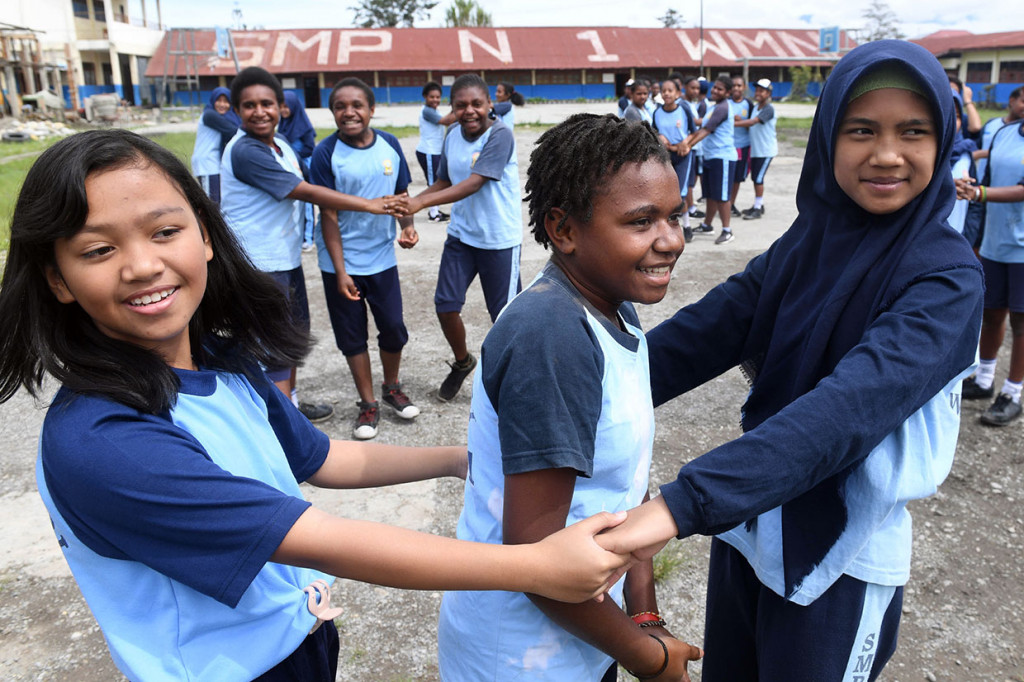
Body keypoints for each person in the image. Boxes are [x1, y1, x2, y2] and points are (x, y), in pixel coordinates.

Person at [0, 127, 636, 682]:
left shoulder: (219, 362)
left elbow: (322, 458)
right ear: (57, 278)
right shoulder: (105, 442)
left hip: (299, 638)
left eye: (165, 231)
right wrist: (532, 566)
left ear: (207, 237)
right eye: (99, 250)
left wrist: (458, 458)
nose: (142, 265)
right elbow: (322, 540)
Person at [597, 40, 984, 681]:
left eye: (913, 132)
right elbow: (713, 327)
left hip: (840, 552)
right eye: (862, 130)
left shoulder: (946, 278)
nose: (887, 154)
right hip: (754, 522)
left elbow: (849, 409)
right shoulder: (810, 239)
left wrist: (678, 506)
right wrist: (592, 386)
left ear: (942, 142)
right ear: (829, 137)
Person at [438, 113, 703, 681]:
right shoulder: (552, 336)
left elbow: (625, 487)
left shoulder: (614, 304)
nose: (671, 240)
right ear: (563, 229)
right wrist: (649, 658)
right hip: (523, 657)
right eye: (641, 221)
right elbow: (538, 561)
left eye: (675, 215)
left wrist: (644, 617)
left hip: (588, 633)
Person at [219, 67, 401, 422]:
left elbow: (312, 180)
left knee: (289, 337)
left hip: (283, 259)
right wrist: (369, 204)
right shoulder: (244, 151)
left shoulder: (279, 145)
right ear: (237, 110)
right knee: (272, 346)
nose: (260, 112)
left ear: (282, 107)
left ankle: (291, 406)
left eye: (267, 103)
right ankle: (283, 426)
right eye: (249, 105)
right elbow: (304, 190)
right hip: (257, 263)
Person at [311, 77, 421, 440]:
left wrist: (408, 226)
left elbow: (401, 195)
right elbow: (328, 213)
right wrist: (340, 271)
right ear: (332, 113)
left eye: (357, 105)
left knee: (393, 328)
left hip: (381, 259)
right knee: (352, 336)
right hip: (340, 264)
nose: (349, 112)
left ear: (371, 109)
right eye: (340, 107)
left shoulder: (389, 144)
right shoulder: (325, 153)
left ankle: (392, 387)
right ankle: (368, 403)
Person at [404, 74, 523, 402]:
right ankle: (462, 361)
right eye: (460, 105)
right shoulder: (452, 134)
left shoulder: (500, 135)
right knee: (445, 305)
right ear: (452, 108)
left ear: (489, 104)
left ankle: (515, 379)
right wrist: (409, 205)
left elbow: (474, 182)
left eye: (476, 104)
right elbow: (444, 181)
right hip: (461, 236)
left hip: (499, 239)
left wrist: (420, 203)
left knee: (505, 318)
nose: (469, 111)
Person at [956, 102, 1024, 426]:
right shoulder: (1005, 133)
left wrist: (979, 193)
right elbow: (987, 177)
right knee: (992, 313)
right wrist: (971, 188)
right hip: (996, 242)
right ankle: (984, 380)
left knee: (1021, 322)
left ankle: (1013, 393)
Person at [681, 76, 737, 244]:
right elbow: (701, 126)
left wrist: (687, 145)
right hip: (710, 156)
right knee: (710, 194)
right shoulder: (714, 107)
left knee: (722, 196)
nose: (715, 91)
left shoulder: (723, 108)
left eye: (720, 89)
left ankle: (727, 230)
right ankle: (707, 225)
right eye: (715, 87)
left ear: (727, 93)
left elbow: (706, 130)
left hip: (722, 157)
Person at [653, 78, 697, 241]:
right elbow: (654, 132)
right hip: (665, 156)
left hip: (682, 155)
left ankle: (686, 225)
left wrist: (686, 142)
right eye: (663, 91)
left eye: (670, 90)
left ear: (678, 93)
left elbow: (694, 132)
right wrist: (660, 137)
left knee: (681, 193)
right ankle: (667, 227)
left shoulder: (684, 110)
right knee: (665, 193)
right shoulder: (657, 112)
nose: (666, 94)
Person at [278, 91, 318, 251]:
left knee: (306, 203)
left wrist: (293, 155)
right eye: (281, 107)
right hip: (289, 166)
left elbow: (310, 148)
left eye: (286, 106)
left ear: (294, 106)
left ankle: (308, 237)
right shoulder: (283, 124)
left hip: (303, 167)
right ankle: (298, 235)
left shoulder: (304, 126)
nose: (283, 110)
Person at [733, 78, 777, 220]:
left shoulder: (768, 109)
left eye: (762, 91)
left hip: (766, 151)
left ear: (768, 94)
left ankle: (757, 208)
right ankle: (758, 204)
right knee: (755, 177)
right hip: (757, 150)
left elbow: (753, 122)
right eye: (757, 90)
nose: (758, 93)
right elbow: (750, 125)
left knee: (758, 178)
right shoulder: (756, 107)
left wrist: (731, 123)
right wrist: (740, 121)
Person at [190, 86, 239, 203]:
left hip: (214, 163)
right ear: (213, 100)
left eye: (226, 101)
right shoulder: (209, 115)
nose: (222, 105)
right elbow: (234, 131)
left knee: (218, 200)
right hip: (206, 164)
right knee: (211, 203)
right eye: (219, 100)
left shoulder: (223, 117)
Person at [416, 81, 456, 223]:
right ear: (425, 97)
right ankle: (433, 214)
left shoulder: (433, 111)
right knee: (433, 183)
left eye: (438, 97)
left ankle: (435, 210)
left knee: (437, 181)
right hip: (428, 151)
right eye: (431, 97)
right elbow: (447, 121)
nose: (435, 100)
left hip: (435, 151)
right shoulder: (427, 111)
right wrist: (456, 107)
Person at [946, 91, 978, 236]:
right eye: (946, 114)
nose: (952, 121)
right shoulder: (915, 155)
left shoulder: (965, 153)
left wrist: (968, 239)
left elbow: (974, 205)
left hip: (957, 238)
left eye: (957, 116)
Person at [728, 76, 754, 217]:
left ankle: (731, 204)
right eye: (734, 85)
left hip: (743, 146)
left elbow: (752, 125)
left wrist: (742, 122)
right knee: (727, 176)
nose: (736, 88)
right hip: (728, 146)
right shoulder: (726, 103)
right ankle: (723, 202)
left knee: (737, 178)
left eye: (739, 85)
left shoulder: (748, 104)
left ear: (744, 87)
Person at [682, 76, 707, 223]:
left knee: (691, 179)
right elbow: (693, 123)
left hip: (694, 146)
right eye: (692, 88)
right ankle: (690, 208)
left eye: (697, 88)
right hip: (688, 146)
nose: (696, 91)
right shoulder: (683, 104)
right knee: (688, 180)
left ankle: (689, 206)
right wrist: (711, 118)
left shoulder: (692, 103)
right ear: (685, 87)